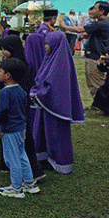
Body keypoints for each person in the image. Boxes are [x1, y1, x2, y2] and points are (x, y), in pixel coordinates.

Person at [0, 34, 44, 180]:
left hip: (16, 111)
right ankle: (5, 164)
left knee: (22, 142)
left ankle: (30, 173)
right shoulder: (10, 63)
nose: (2, 52)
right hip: (14, 110)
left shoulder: (18, 65)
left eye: (4, 49)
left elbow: (17, 88)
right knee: (11, 138)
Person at [30, 31, 85, 174]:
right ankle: (45, 157)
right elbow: (41, 77)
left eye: (47, 44)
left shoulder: (61, 62)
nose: (45, 47)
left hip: (55, 105)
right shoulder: (49, 58)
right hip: (45, 103)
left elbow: (55, 85)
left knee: (57, 132)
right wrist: (35, 91)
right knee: (42, 130)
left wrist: (39, 94)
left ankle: (61, 162)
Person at [0, 59, 41, 198]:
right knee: (22, 155)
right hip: (21, 128)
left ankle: (16, 188)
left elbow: (3, 112)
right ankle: (29, 183)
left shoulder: (4, 93)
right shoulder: (21, 90)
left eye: (1, 71)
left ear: (7, 75)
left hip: (10, 129)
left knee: (12, 158)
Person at [59, 1, 109, 98]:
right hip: (100, 55)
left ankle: (103, 106)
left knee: (97, 82)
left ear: (101, 11)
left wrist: (64, 26)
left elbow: (79, 29)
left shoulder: (100, 23)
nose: (93, 10)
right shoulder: (105, 23)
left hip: (96, 57)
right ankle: (97, 104)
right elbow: (89, 35)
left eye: (95, 8)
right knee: (93, 82)